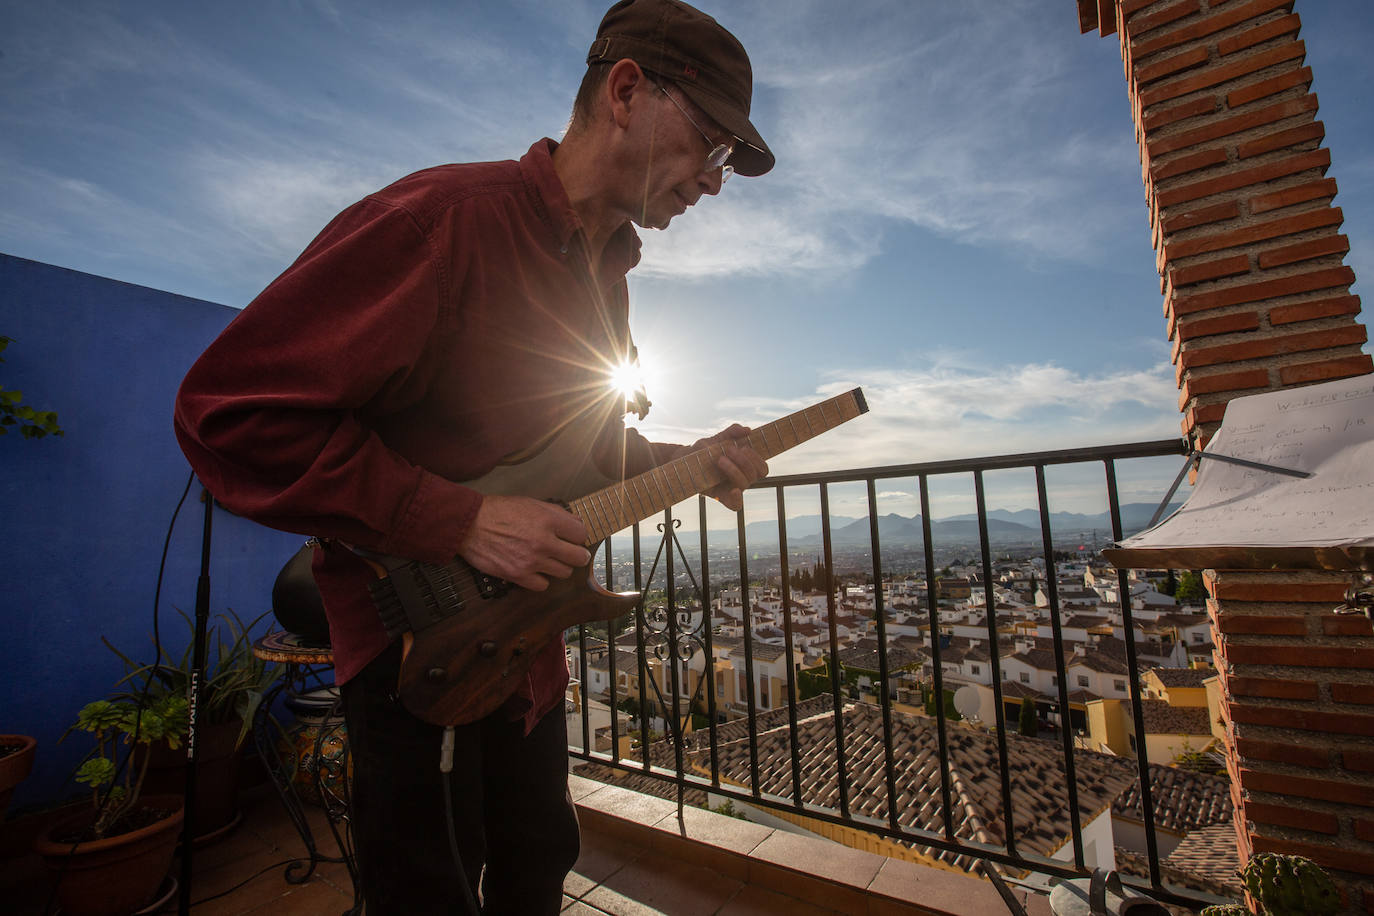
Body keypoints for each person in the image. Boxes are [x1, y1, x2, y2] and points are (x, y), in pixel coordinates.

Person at [173, 1, 773, 912]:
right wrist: (466, 522)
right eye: (713, 145)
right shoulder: (443, 223)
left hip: (522, 642)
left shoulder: (605, 272)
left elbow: (576, 451)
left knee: (536, 858)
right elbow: (228, 415)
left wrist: (692, 460)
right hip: (418, 647)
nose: (716, 183)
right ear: (626, 92)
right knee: (429, 884)